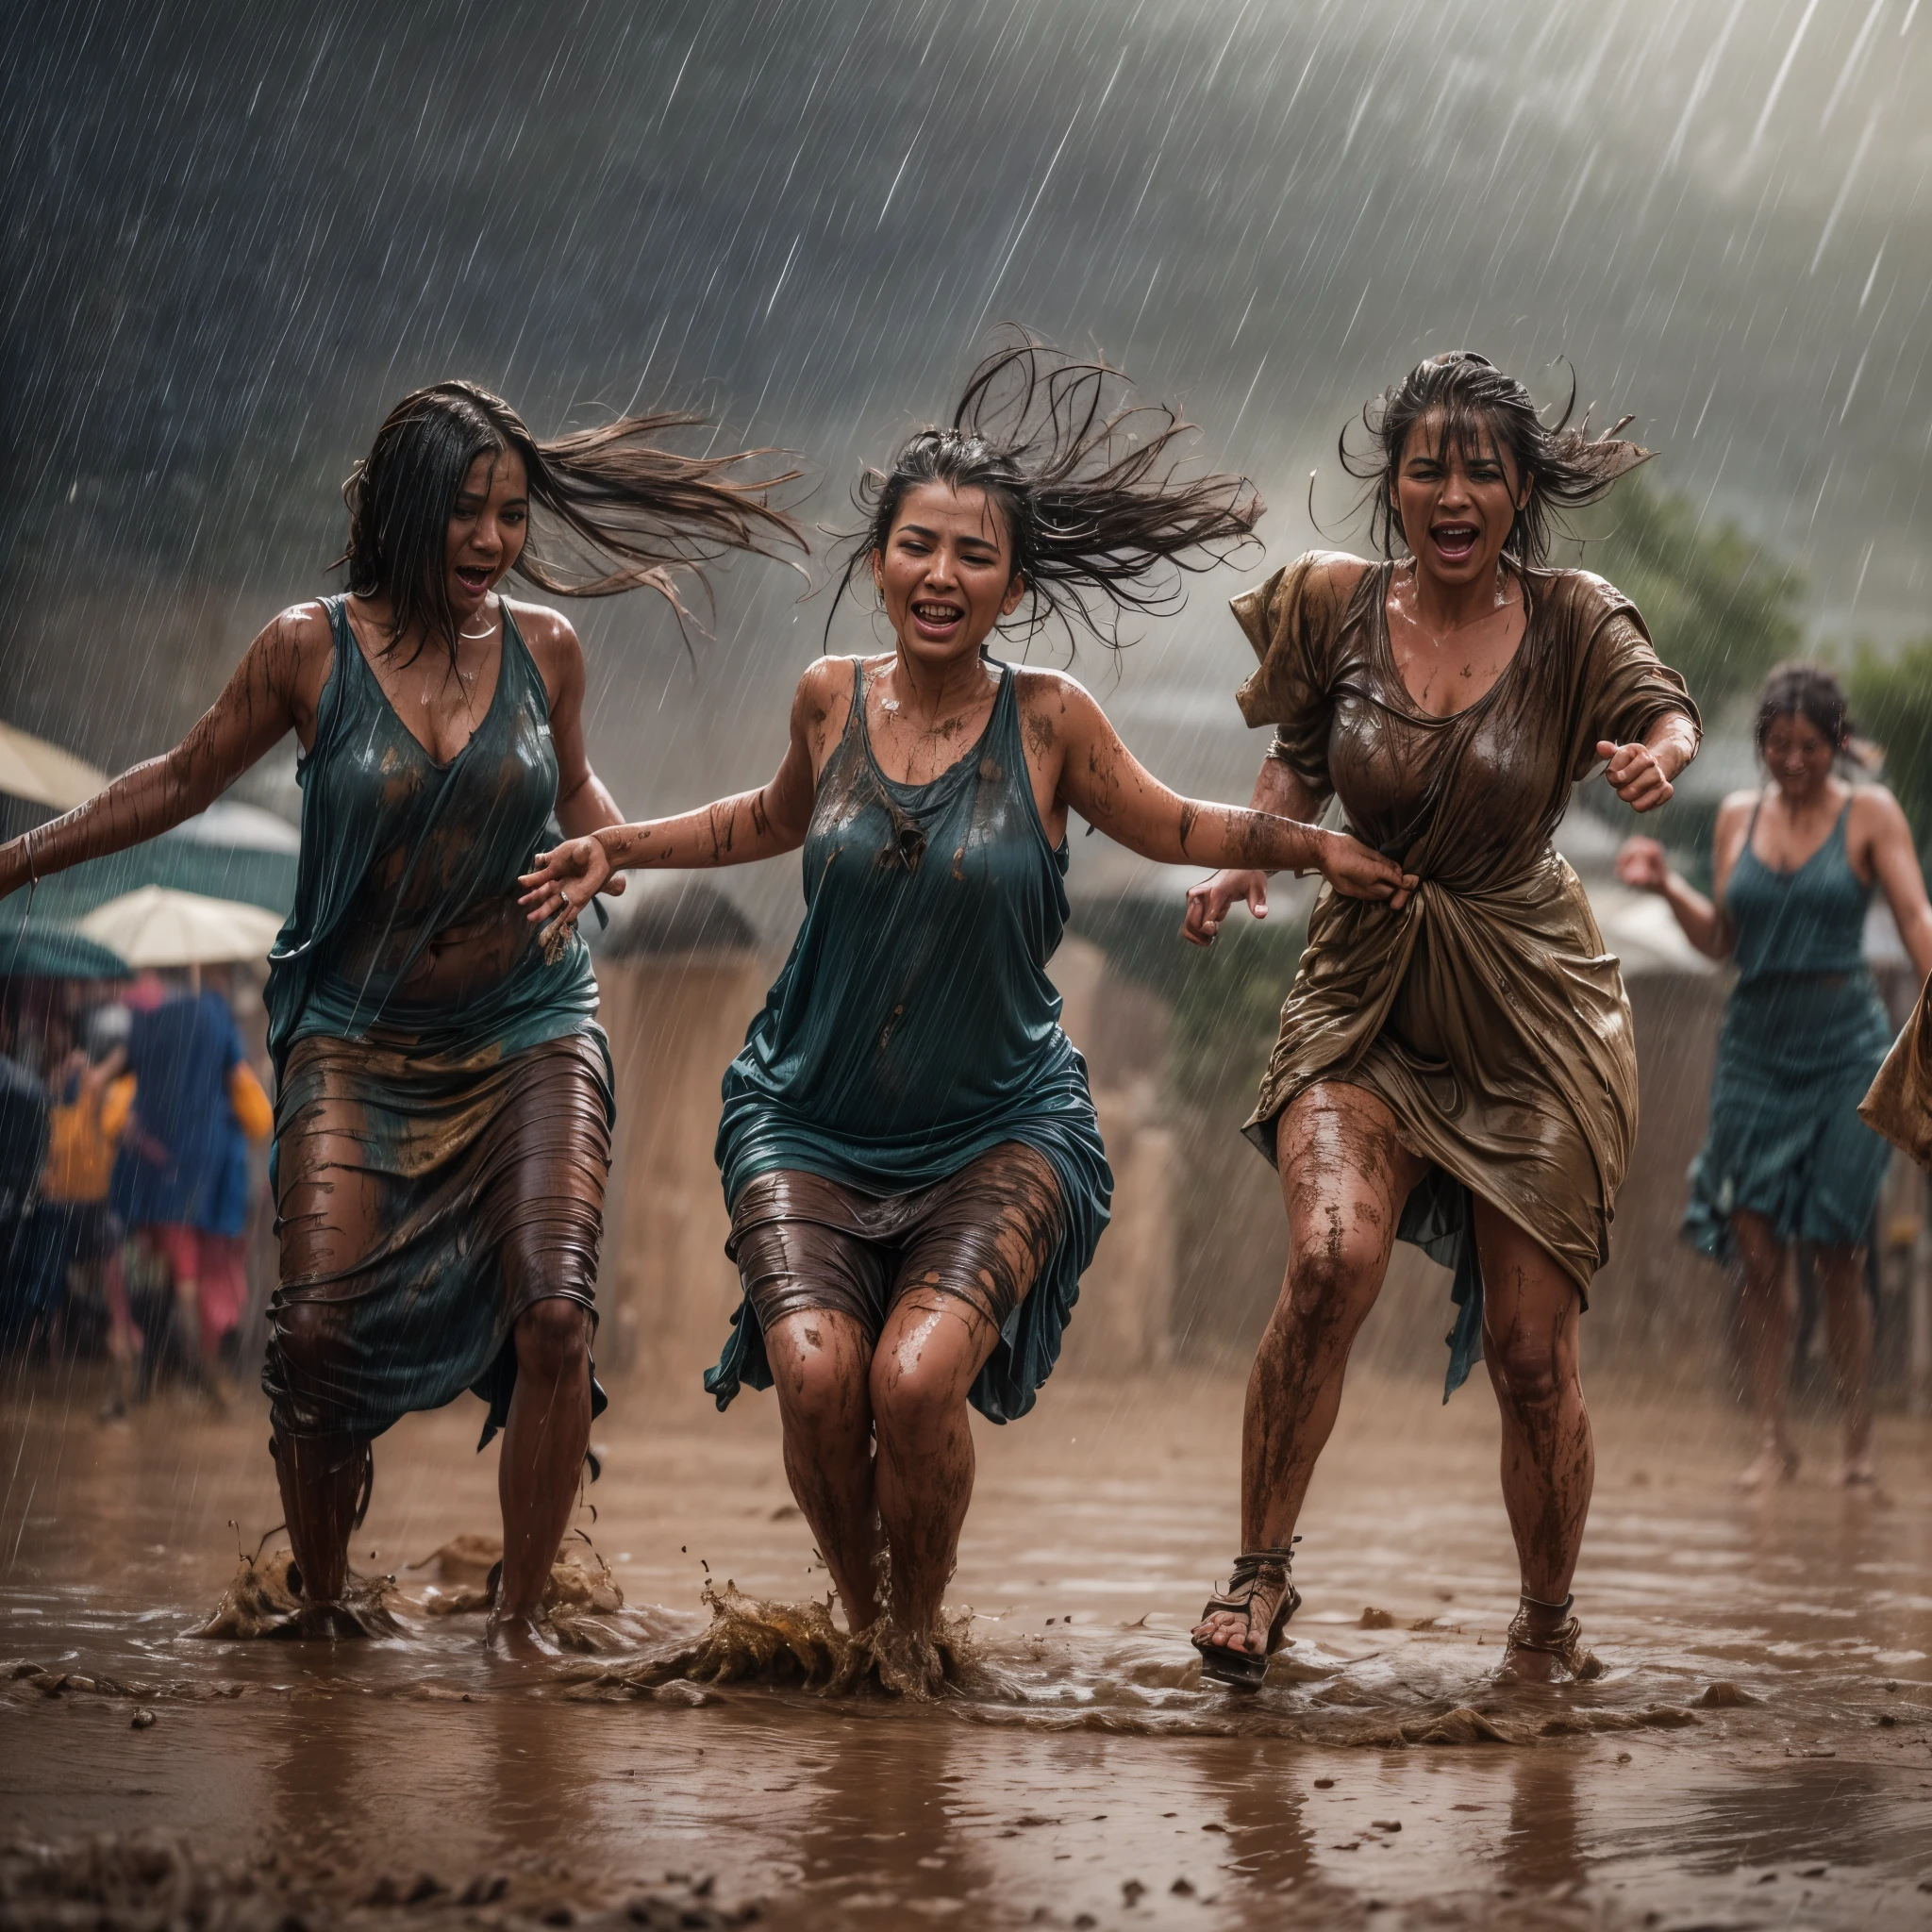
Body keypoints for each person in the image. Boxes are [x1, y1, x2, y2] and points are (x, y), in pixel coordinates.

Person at [519, 341, 1413, 1672]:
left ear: (1015, 582)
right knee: (820, 1381)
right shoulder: (830, 698)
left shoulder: (1051, 722)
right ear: (878, 561)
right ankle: (868, 1628)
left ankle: (914, 1648)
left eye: (974, 555)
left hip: (999, 1127)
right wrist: (621, 845)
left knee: (915, 1377)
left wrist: (1305, 845)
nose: (942, 576)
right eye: (918, 547)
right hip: (806, 1119)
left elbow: (1171, 818)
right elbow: (767, 819)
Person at [0, 380, 800, 1649]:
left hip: (532, 1019)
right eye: (464, 515)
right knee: (315, 1336)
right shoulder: (305, 650)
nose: (491, 542)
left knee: (555, 1312)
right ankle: (323, 1609)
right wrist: (18, 858)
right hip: (358, 1042)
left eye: (512, 516)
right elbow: (184, 777)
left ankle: (522, 1625)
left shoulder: (547, 652)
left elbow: (585, 790)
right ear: (401, 515)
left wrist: (632, 849)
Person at [1180, 351, 1700, 1688]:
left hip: (1533, 1002)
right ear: (1393, 484)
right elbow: (1298, 758)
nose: (1454, 489)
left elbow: (1667, 708)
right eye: (1429, 465)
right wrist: (1255, 852)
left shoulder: (1576, 616)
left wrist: (1657, 757)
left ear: (1523, 490)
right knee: (1329, 1260)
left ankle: (1543, 1630)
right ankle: (1258, 1575)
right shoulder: (1333, 608)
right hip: (1364, 978)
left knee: (1531, 1355)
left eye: (1482, 467)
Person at [1617, 665, 1932, 1488]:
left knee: (1838, 1247)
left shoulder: (1871, 814)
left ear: (1836, 744)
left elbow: (1915, 915)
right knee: (1756, 1254)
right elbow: (1723, 939)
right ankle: (1771, 1438)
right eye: (1778, 746)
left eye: (1810, 747)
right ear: (1761, 746)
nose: (1793, 762)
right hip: (1754, 1046)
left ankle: (1858, 1446)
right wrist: (1668, 887)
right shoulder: (1733, 817)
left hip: (1845, 1049)